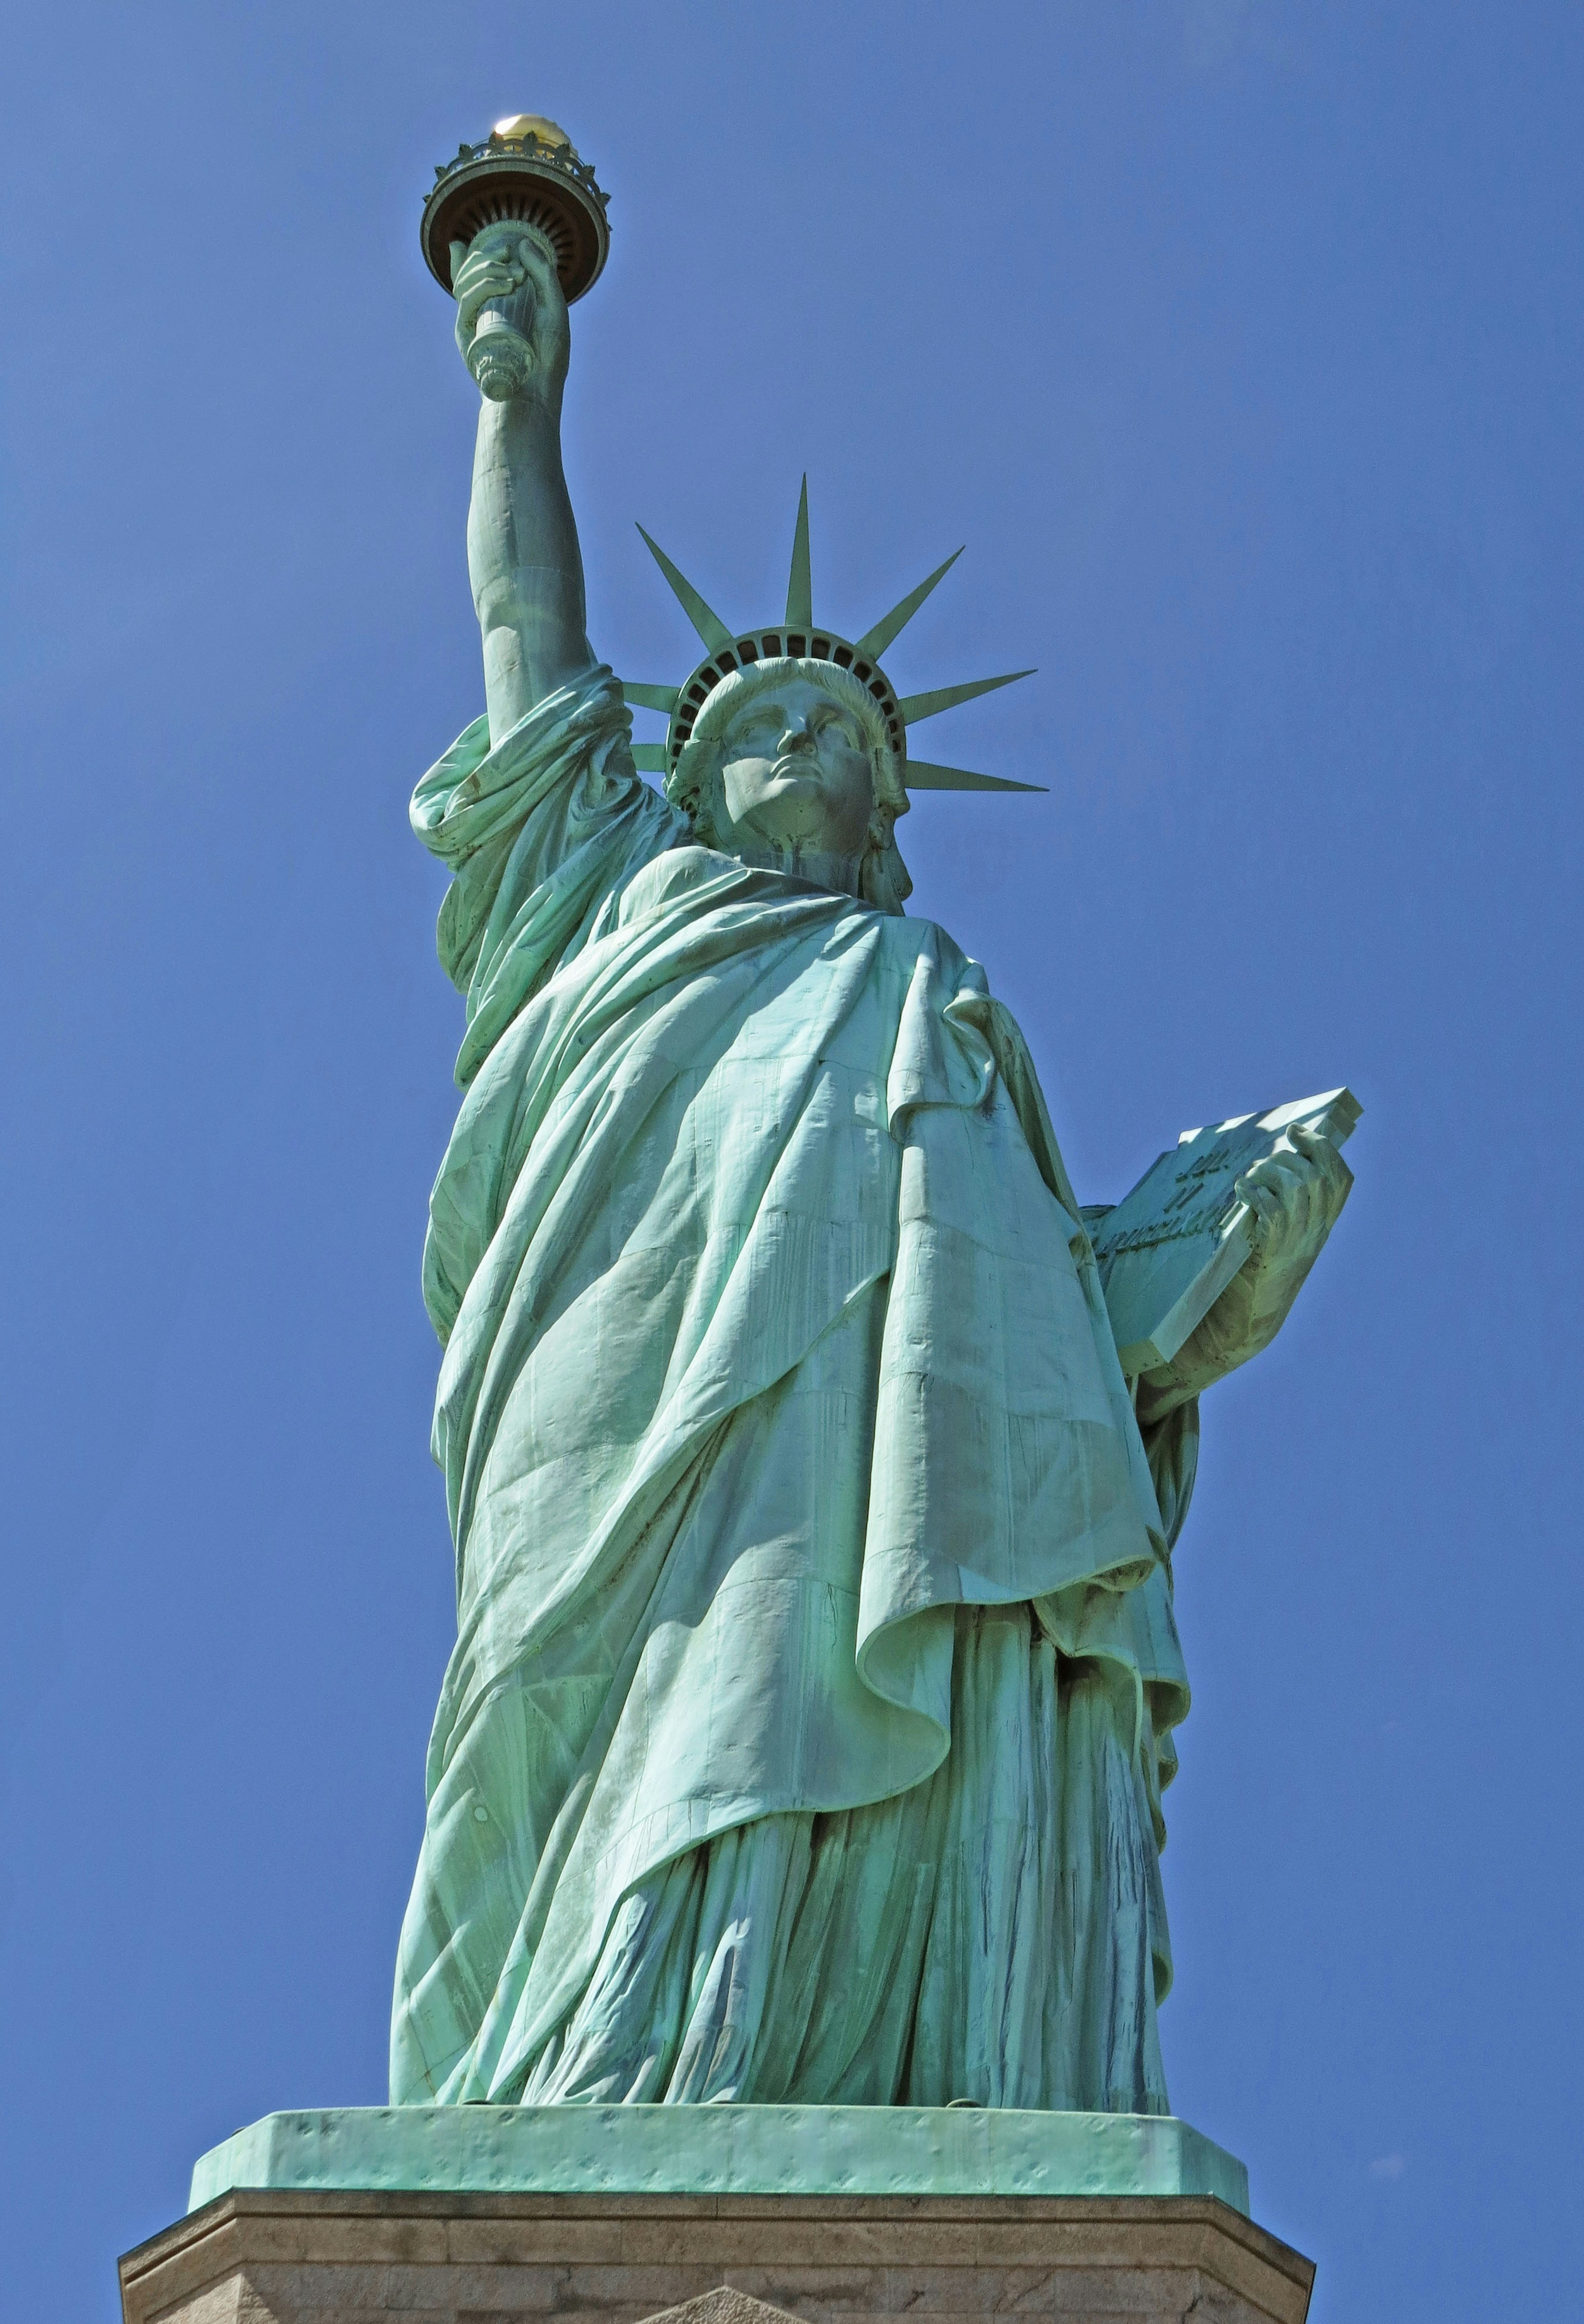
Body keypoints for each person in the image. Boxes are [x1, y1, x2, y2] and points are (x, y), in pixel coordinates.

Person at [390, 223, 1352, 2112]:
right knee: (564, 1713)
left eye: (839, 731)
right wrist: (520, 401)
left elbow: (1041, 1348)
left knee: (828, 1664)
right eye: (758, 727)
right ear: (687, 780)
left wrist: (1209, 1263)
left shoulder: (934, 993)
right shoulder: (616, 892)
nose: (804, 746)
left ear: (893, 822)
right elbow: (525, 637)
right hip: (624, 1376)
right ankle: (570, 2078)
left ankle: (803, 2062)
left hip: (886, 1452)